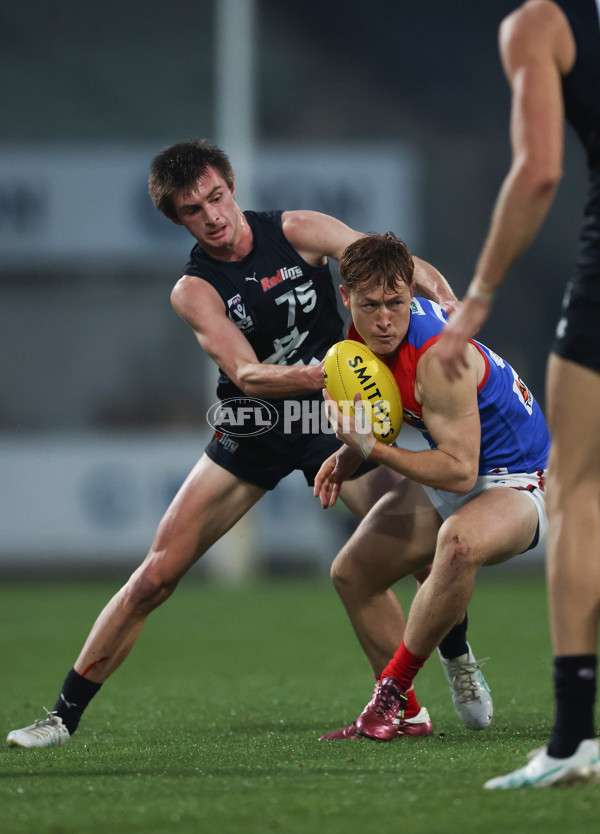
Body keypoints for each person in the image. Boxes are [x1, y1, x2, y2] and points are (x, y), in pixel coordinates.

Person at [6, 140, 479, 749]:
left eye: (216, 196)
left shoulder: (298, 229)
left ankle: (458, 660)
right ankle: (61, 718)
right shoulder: (193, 290)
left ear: (231, 187)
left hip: (331, 421)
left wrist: (447, 303)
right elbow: (250, 374)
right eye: (193, 209)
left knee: (417, 550)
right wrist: (331, 368)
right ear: (177, 220)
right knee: (154, 578)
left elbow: (389, 264)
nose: (212, 215)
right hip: (251, 429)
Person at [435, 0, 600, 788]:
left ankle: (574, 743)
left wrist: (479, 293)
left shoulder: (539, 23)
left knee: (578, 492)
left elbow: (539, 169)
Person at [314, 232, 550, 743]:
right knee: (353, 574)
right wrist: (347, 455)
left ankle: (389, 697)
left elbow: (462, 472)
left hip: (518, 478)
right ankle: (416, 709)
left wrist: (369, 450)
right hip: (454, 462)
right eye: (369, 304)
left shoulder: (440, 358)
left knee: (458, 542)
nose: (383, 318)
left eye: (396, 303)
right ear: (345, 297)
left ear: (410, 297)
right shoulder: (357, 345)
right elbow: (388, 422)